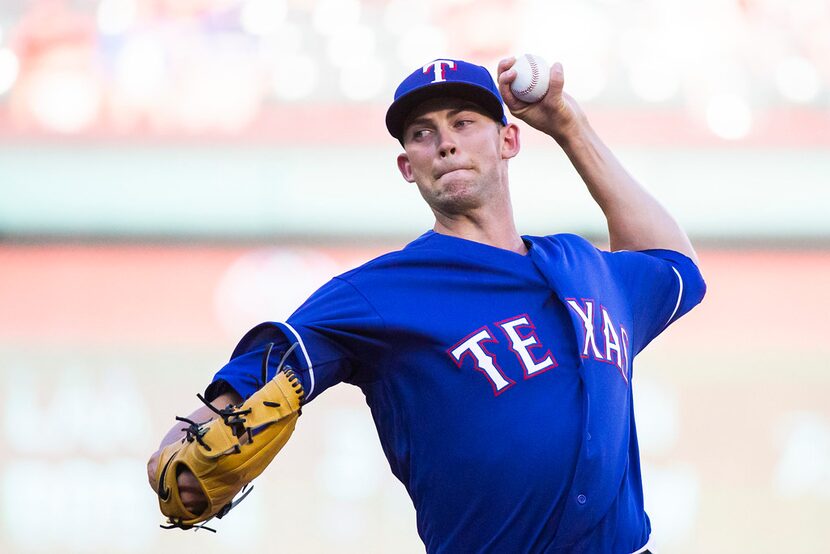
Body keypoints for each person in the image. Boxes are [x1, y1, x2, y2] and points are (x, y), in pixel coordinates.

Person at [147, 56, 705, 553]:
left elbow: (676, 265)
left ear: (508, 141)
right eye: (422, 132)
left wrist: (569, 126)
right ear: (407, 166)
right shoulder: (380, 292)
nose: (446, 142)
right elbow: (265, 369)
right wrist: (178, 445)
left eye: (464, 122)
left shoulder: (588, 268)